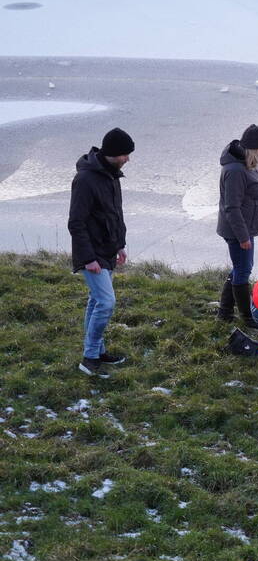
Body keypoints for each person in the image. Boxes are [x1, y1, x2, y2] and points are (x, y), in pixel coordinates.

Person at [68, 128, 135, 378]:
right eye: (125, 154)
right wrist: (88, 259)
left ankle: (97, 351)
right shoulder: (85, 180)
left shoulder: (111, 175)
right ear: (113, 153)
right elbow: (76, 222)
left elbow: (114, 214)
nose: (128, 159)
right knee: (106, 303)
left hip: (107, 249)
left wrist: (119, 245)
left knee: (97, 301)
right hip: (92, 253)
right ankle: (90, 358)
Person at [216, 124, 258, 328]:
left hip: (245, 227)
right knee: (243, 269)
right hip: (237, 231)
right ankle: (247, 318)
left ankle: (225, 312)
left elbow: (250, 200)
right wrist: (243, 237)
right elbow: (232, 207)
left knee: (241, 267)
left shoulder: (247, 164)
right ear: (252, 149)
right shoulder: (236, 170)